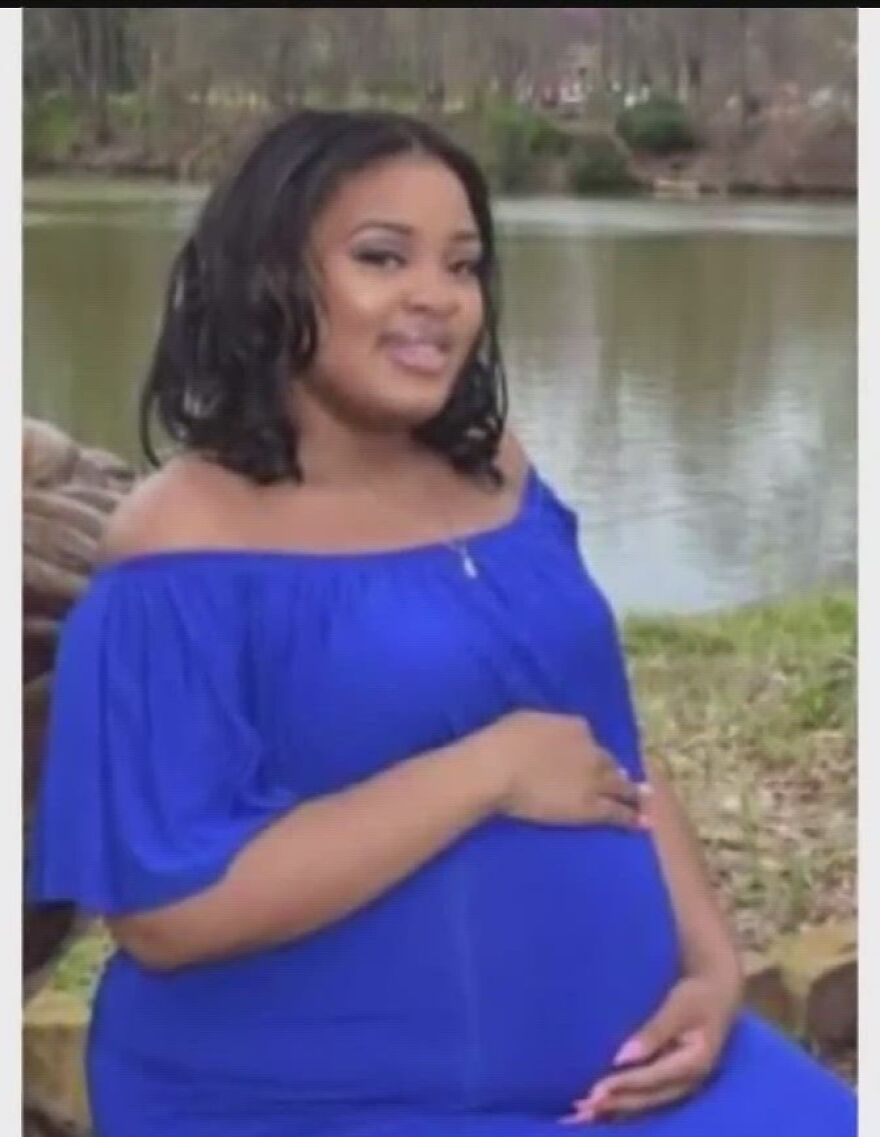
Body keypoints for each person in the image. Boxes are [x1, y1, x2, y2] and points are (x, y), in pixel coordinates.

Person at [28, 110, 855, 1137]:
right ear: (266, 274)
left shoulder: (497, 473)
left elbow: (612, 756)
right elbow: (164, 915)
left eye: (461, 267)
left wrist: (711, 964)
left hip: (627, 1066)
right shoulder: (183, 542)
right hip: (323, 1099)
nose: (437, 298)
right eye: (382, 256)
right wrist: (485, 771)